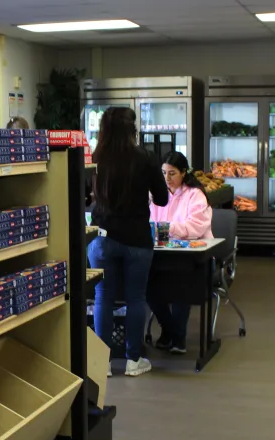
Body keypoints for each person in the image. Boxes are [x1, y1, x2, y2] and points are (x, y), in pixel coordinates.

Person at [88, 107, 168, 377]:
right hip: (137, 239)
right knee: (136, 297)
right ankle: (134, 360)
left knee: (103, 297)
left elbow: (84, 198)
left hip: (102, 237)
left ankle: (104, 363)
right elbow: (162, 200)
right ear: (132, 129)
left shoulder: (95, 157)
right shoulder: (145, 158)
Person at [148, 151, 213, 354]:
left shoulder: (195, 195)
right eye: (163, 173)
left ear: (184, 173)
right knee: (147, 283)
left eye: (172, 173)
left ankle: (177, 335)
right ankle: (171, 330)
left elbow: (195, 227)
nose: (167, 178)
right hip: (163, 253)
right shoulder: (157, 194)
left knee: (180, 284)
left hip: (192, 257)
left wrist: (166, 228)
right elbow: (150, 220)